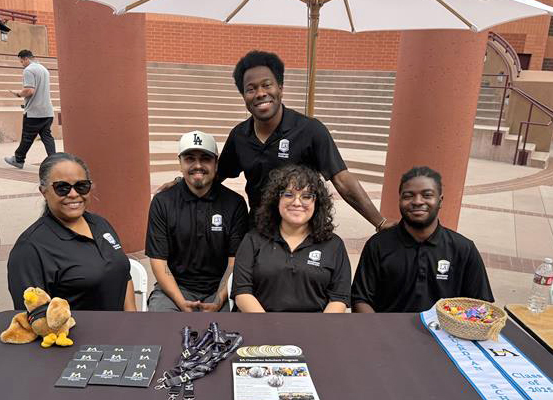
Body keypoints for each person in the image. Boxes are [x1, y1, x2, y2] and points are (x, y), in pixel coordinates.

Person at [160, 50, 396, 232]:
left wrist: (379, 221)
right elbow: (216, 175)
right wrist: (180, 183)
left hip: (303, 229)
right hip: (258, 231)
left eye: (266, 85)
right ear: (243, 96)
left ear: (280, 88)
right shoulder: (240, 136)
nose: (260, 93)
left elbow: (342, 180)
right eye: (250, 89)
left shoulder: (310, 130)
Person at [351, 166, 494, 313]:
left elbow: (481, 305)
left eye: (427, 195)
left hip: (445, 335)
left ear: (440, 201)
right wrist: (380, 333)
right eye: (408, 196)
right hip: (388, 333)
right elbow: (360, 300)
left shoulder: (464, 249)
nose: (417, 201)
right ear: (399, 200)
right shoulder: (378, 245)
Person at [7, 152, 136, 311]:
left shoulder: (100, 224)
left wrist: (132, 320)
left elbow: (124, 274)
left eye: (81, 186)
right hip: (72, 335)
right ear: (44, 191)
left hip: (120, 330)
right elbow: (32, 316)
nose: (74, 194)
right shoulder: (30, 248)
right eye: (62, 187)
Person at [145, 131, 249, 312]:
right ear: (180, 163)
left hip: (220, 289)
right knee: (160, 324)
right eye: (190, 158)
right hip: (175, 289)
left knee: (232, 329)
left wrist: (218, 300)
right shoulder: (163, 202)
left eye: (206, 159)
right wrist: (180, 301)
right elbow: (159, 262)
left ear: (216, 164)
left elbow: (234, 263)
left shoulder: (235, 204)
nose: (198, 165)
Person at [232, 164, 350, 313]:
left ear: (317, 202)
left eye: (307, 196)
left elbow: (339, 298)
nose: (297, 202)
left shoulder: (334, 245)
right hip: (262, 327)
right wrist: (270, 328)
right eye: (288, 194)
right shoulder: (253, 239)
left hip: (316, 330)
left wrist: (319, 331)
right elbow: (242, 292)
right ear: (277, 200)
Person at [4, 49, 55, 169]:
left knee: (27, 137)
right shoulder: (44, 69)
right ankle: (55, 161)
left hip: (34, 112)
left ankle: (18, 159)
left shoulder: (29, 70)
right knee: (47, 137)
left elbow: (29, 91)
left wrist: (18, 94)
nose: (22, 64)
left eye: (21, 61)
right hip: (47, 111)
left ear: (25, 58)